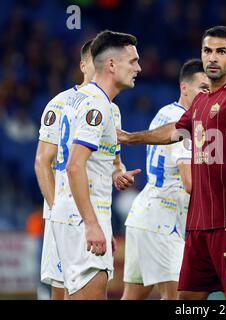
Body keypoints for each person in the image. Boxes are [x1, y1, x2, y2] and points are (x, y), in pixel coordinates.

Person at [117, 26, 226, 300]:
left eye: (221, 52)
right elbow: (173, 132)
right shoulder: (201, 101)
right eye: (207, 51)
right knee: (185, 299)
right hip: (199, 225)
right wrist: (130, 138)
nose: (212, 58)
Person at [50, 30, 142, 300]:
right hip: (81, 218)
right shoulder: (98, 106)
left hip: (74, 212)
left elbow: (87, 163)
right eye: (133, 61)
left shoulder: (80, 97)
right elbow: (75, 166)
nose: (139, 68)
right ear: (111, 64)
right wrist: (92, 224)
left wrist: (115, 174)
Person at [121, 59, 209, 300]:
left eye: (210, 89)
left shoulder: (166, 113)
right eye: (202, 87)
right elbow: (190, 182)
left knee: (132, 296)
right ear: (184, 88)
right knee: (176, 298)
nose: (207, 94)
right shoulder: (187, 124)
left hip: (143, 216)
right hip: (163, 222)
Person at [34, 39, 95, 300]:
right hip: (65, 213)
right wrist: (58, 209)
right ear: (83, 65)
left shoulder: (109, 108)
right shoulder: (59, 103)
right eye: (97, 60)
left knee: (89, 289)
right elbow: (42, 161)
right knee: (62, 291)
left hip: (94, 212)